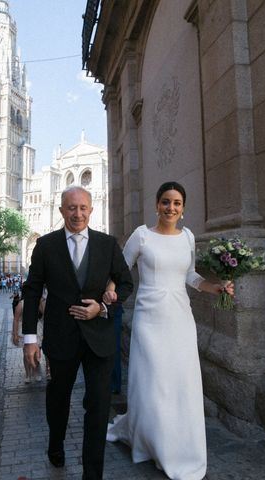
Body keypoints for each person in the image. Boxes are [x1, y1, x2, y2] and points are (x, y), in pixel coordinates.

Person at [103, 182, 234, 480]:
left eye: (176, 203)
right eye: (165, 202)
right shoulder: (141, 236)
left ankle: (177, 443)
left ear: (183, 209)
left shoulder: (188, 237)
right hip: (149, 320)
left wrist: (216, 287)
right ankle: (155, 444)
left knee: (179, 382)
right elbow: (120, 271)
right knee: (155, 383)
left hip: (180, 320)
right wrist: (109, 291)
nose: (170, 208)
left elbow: (190, 276)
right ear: (157, 205)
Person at [22, 185, 133, 479]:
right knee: (58, 399)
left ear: (91, 210)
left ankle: (92, 473)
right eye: (71, 208)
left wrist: (105, 306)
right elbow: (32, 291)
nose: (78, 213)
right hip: (60, 338)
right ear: (61, 211)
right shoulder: (45, 246)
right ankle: (56, 443)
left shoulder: (107, 244)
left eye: (83, 208)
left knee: (98, 406)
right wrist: (29, 339)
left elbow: (126, 283)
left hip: (100, 338)